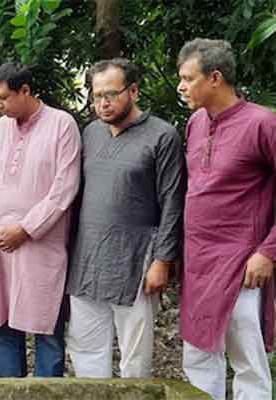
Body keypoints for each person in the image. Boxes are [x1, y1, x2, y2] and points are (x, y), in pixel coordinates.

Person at [65, 58, 186, 379]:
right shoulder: (91, 133)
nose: (103, 103)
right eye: (96, 96)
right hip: (87, 261)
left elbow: (173, 200)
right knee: (86, 352)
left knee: (134, 359)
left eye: (111, 94)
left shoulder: (162, 135)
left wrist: (163, 258)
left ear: (133, 90)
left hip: (137, 261)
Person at [177, 38, 276, 400]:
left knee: (247, 359)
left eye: (188, 78)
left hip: (242, 263)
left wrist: (268, 252)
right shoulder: (195, 123)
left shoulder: (262, 124)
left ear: (215, 78)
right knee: (199, 354)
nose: (182, 86)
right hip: (198, 260)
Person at [0, 62, 81, 377]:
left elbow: (64, 189)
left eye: (4, 98)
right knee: (2, 325)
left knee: (46, 328)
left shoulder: (62, 125)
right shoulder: (0, 128)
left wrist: (26, 229)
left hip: (41, 244)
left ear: (26, 91)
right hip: (1, 246)